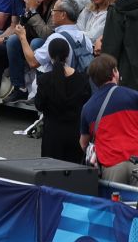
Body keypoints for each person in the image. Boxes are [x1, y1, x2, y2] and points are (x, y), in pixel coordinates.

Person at [22, 34, 91, 165]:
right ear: (67, 54)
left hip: (52, 134)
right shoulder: (82, 79)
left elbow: (39, 105)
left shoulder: (44, 80)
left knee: (51, 176)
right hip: (75, 134)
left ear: (50, 54)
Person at [82, 56, 138, 184]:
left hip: (111, 165)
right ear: (114, 72)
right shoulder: (133, 96)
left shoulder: (87, 107)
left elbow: (83, 143)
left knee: (115, 203)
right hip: (136, 159)